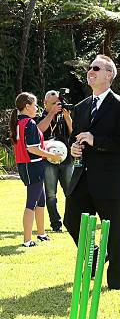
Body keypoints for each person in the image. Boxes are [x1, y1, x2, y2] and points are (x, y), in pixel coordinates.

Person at [63, 55, 120, 290]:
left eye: (96, 68)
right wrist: (74, 147)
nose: (90, 71)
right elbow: (76, 138)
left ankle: (114, 283)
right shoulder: (81, 107)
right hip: (83, 177)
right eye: (89, 68)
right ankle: (94, 254)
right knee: (71, 220)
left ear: (109, 75)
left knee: (112, 232)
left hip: (109, 178)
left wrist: (97, 141)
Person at [9, 92, 60, 247]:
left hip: (28, 164)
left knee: (41, 200)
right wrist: (52, 155)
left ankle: (41, 234)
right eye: (35, 105)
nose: (37, 108)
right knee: (31, 202)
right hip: (32, 165)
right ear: (27, 106)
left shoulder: (20, 122)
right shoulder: (29, 123)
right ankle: (27, 240)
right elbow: (33, 148)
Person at [36, 90, 73, 232]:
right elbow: (39, 130)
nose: (56, 106)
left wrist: (67, 117)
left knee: (70, 192)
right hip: (47, 160)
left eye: (58, 103)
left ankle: (71, 221)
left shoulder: (63, 117)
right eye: (52, 104)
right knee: (51, 195)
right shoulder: (39, 118)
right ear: (45, 103)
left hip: (66, 160)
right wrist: (51, 113)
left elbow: (73, 132)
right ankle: (56, 224)